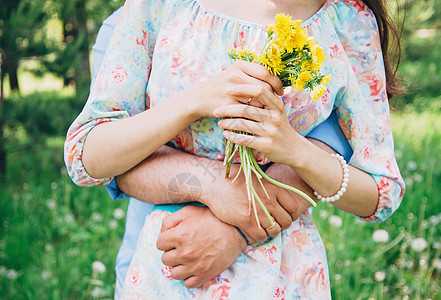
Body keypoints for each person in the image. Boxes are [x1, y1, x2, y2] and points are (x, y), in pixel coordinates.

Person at [64, 0, 405, 298]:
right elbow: (87, 154)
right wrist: (197, 101)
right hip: (172, 267)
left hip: (287, 277)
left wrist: (296, 151)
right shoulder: (158, 5)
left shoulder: (349, 20)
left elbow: (382, 193)